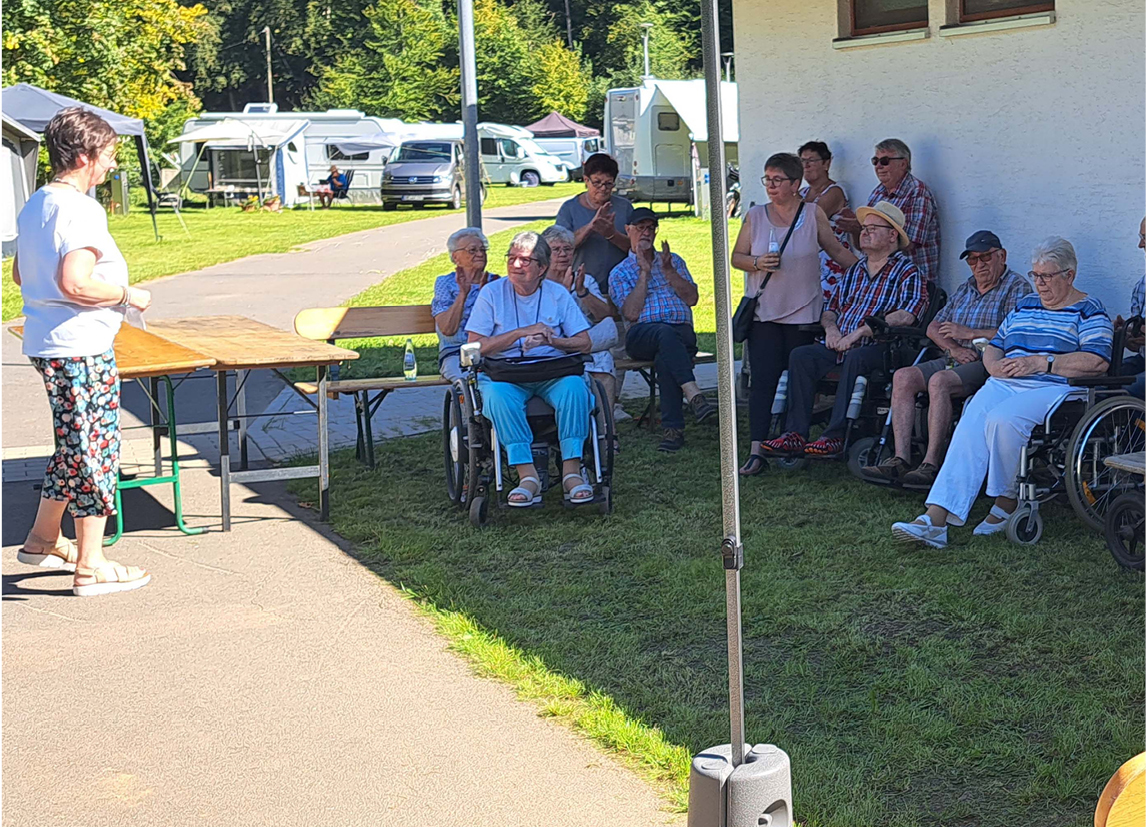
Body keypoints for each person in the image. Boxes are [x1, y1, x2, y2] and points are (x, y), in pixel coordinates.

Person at [892, 237, 1113, 548]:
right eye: (1035, 276)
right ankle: (935, 518)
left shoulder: (1089, 311)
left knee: (1001, 419)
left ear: (1069, 275)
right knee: (971, 423)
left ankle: (1006, 501)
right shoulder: (1025, 305)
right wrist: (994, 367)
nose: (1039, 284)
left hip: (1055, 386)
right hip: (1006, 381)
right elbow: (996, 347)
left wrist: (1041, 362)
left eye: (1047, 276)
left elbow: (1097, 361)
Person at [13, 107, 153, 597]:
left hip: (49, 342)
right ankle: (91, 566)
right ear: (86, 155)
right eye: (110, 155)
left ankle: (42, 540)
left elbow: (19, 275)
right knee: (96, 448)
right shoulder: (82, 209)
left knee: (74, 443)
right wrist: (125, 295)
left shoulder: (36, 204)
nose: (112, 166)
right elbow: (75, 281)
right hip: (80, 347)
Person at [862, 230, 1032, 486]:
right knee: (903, 376)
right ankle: (900, 459)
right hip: (954, 356)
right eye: (972, 260)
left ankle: (931, 463)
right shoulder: (966, 288)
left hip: (987, 361)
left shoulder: (1016, 287)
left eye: (985, 257)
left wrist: (970, 333)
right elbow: (933, 326)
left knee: (939, 381)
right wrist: (954, 348)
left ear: (1001, 256)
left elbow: (1018, 332)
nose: (979, 264)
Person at [761, 201, 927, 458]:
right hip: (839, 344)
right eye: (864, 227)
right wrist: (832, 331)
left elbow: (908, 314)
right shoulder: (855, 271)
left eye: (873, 228)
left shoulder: (907, 272)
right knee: (801, 356)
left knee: (856, 358)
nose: (864, 232)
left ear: (893, 235)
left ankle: (834, 435)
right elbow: (831, 309)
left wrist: (862, 332)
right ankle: (794, 434)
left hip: (879, 348)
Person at [730, 152, 858, 476]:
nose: (770, 186)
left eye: (777, 180)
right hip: (765, 315)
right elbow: (737, 257)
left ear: (795, 184)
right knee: (763, 382)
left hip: (804, 314)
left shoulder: (812, 214)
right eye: (767, 179)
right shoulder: (755, 216)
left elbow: (837, 251)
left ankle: (790, 441)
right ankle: (757, 449)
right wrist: (758, 263)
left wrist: (873, 270)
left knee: (799, 382)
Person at [465, 231, 595, 506]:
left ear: (542, 268)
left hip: (552, 371)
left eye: (524, 260)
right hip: (505, 373)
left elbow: (584, 343)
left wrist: (552, 339)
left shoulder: (557, 294)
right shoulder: (492, 293)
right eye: (511, 258)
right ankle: (528, 476)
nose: (515, 265)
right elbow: (474, 346)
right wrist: (519, 333)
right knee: (498, 398)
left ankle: (572, 472)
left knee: (575, 389)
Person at [610, 207, 715, 453]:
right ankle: (693, 395)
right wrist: (645, 273)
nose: (646, 233)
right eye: (640, 228)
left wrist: (668, 271)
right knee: (664, 336)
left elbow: (692, 299)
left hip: (680, 333)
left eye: (651, 228)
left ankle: (673, 432)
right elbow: (632, 313)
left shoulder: (674, 261)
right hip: (641, 336)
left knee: (667, 351)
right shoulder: (620, 271)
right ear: (628, 230)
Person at [835, 139, 941, 284]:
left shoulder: (917, 193)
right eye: (875, 161)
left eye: (884, 161)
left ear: (903, 164)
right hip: (879, 282)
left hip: (911, 283)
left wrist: (861, 228)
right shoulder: (877, 193)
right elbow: (864, 246)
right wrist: (855, 230)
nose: (878, 166)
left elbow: (909, 243)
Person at [540, 225, 618, 411]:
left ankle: (606, 429)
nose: (563, 254)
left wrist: (582, 292)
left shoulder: (585, 279)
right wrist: (565, 293)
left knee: (603, 359)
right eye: (556, 249)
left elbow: (605, 315)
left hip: (582, 342)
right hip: (550, 343)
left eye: (567, 249)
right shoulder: (537, 283)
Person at [555, 153, 634, 293]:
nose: (603, 188)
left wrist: (612, 235)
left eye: (608, 183)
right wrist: (591, 225)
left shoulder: (625, 207)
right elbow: (562, 248)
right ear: (586, 180)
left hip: (621, 286)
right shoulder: (569, 209)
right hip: (581, 286)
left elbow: (635, 248)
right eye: (597, 182)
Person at [432, 228, 499, 382]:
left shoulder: (495, 283)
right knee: (469, 381)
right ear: (456, 257)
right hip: (456, 353)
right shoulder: (445, 283)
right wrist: (463, 294)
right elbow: (448, 329)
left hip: (489, 351)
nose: (480, 254)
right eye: (472, 250)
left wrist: (485, 297)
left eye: (483, 249)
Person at [797, 141, 852, 302]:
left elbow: (809, 222)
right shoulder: (803, 192)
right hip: (808, 266)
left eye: (811, 161)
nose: (806, 165)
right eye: (802, 161)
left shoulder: (834, 191)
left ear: (826, 164)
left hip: (831, 266)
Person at [1113, 217, 1145, 398]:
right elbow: (1136, 346)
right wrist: (1125, 334)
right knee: (1099, 382)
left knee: (1125, 393)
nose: (1140, 245)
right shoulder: (1142, 285)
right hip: (1143, 360)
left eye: (1145, 237)